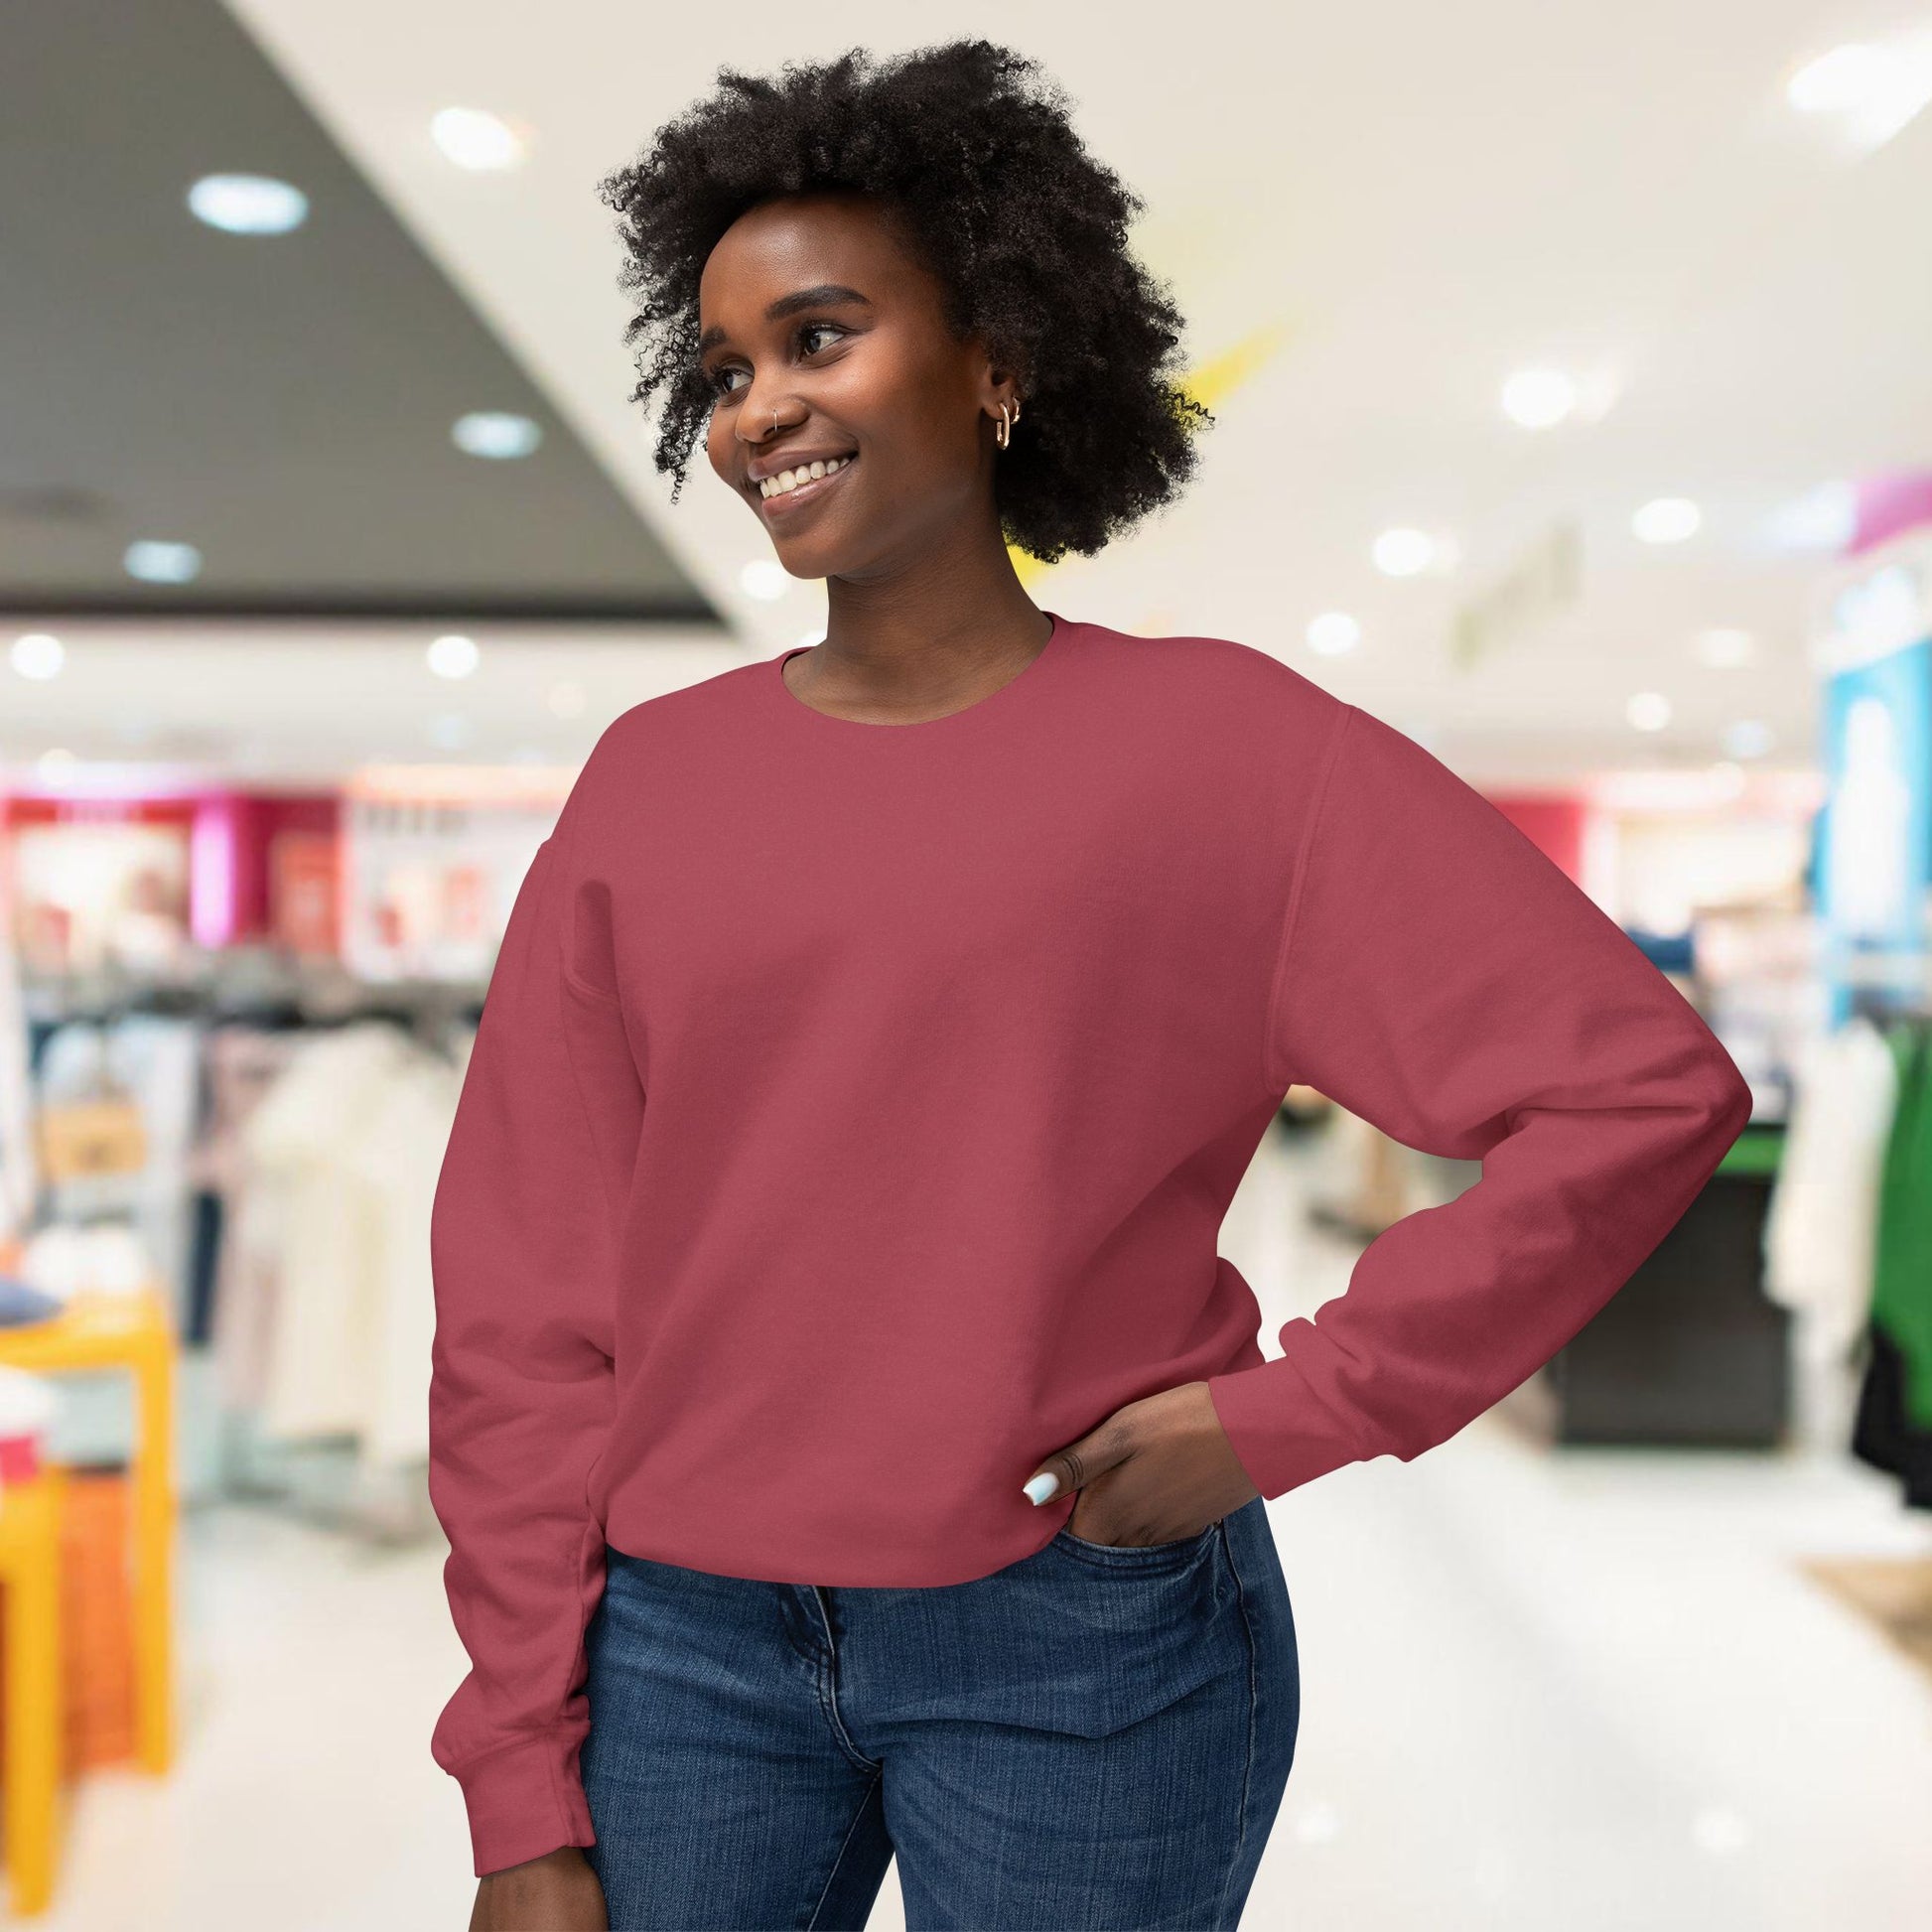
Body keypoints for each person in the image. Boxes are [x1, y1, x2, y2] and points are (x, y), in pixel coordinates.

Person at [428, 40, 1753, 1932]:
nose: (755, 410)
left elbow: (1637, 1089)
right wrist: (515, 1777)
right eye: (719, 370)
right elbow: (521, 1294)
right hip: (682, 1646)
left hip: (1083, 1635)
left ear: (997, 358)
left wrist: (1301, 1406)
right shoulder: (653, 779)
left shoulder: (1229, 753)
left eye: (817, 337)